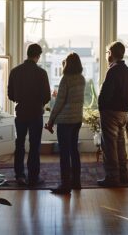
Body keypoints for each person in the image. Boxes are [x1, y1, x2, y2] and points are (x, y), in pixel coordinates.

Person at [8, 43, 51, 186]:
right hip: (35, 113)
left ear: (27, 54)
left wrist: (20, 99)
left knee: (19, 144)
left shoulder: (15, 71)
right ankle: (33, 176)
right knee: (34, 145)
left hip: (20, 112)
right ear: (38, 56)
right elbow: (47, 96)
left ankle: (19, 175)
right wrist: (39, 103)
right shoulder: (41, 73)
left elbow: (10, 95)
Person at [45, 53, 86, 194]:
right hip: (77, 120)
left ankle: (65, 185)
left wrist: (50, 121)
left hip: (65, 120)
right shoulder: (82, 79)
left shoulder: (65, 79)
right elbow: (73, 99)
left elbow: (59, 103)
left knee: (64, 153)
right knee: (74, 151)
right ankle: (77, 182)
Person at [97, 41, 128, 187]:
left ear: (111, 54)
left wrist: (101, 107)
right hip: (123, 113)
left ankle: (112, 177)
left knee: (110, 146)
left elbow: (106, 93)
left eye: (107, 53)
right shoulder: (127, 71)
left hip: (110, 112)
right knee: (120, 145)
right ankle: (123, 175)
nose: (107, 56)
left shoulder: (112, 71)